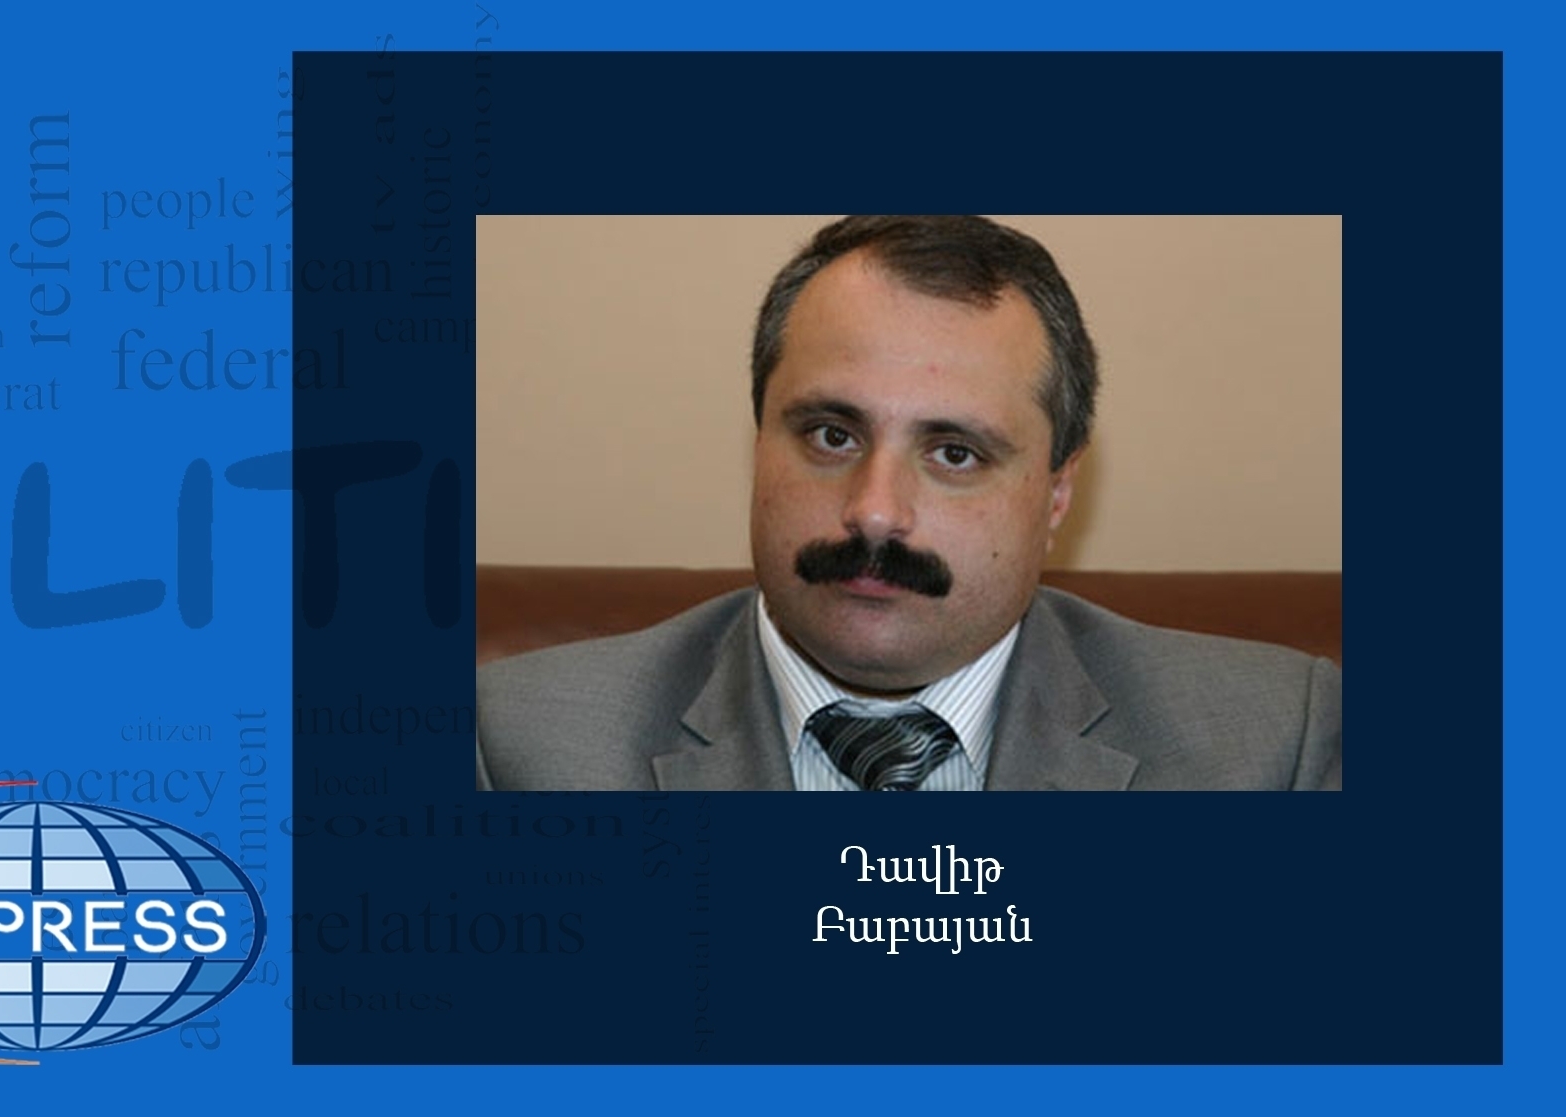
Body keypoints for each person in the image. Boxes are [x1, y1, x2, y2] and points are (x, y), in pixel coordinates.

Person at [475, 215, 1341, 791]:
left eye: (955, 452)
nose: (876, 512)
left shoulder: (1271, 748)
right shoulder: (518, 746)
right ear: (759, 441)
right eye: (831, 435)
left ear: (1056, 492)